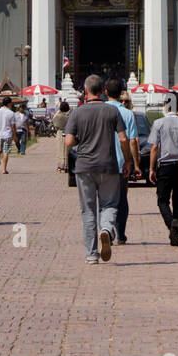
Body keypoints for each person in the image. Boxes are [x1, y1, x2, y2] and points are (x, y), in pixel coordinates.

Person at [64, 74, 129, 263]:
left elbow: (68, 142)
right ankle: (107, 229)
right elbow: (123, 139)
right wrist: (127, 161)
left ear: (85, 91)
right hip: (108, 166)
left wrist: (80, 139)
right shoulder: (112, 112)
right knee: (109, 205)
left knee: (88, 210)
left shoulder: (77, 112)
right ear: (103, 91)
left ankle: (91, 254)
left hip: (84, 167)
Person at [148, 95, 178, 247]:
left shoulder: (158, 123)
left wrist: (151, 168)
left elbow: (154, 147)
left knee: (162, 200)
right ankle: (175, 233)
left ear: (166, 105)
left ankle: (171, 224)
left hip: (166, 165)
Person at [104, 77, 140, 245]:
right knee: (121, 200)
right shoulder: (127, 113)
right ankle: (121, 234)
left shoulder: (99, 111)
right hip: (120, 163)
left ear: (105, 92)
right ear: (121, 94)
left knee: (104, 200)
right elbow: (132, 141)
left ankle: (106, 229)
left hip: (102, 163)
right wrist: (133, 163)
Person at [0, 95, 18, 175]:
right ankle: (4, 169)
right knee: (6, 152)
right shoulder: (11, 113)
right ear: (9, 104)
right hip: (7, 134)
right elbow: (13, 126)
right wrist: (15, 136)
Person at [52, 98, 70, 172]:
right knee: (66, 150)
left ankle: (60, 166)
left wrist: (59, 110)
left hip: (59, 133)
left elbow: (53, 120)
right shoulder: (68, 117)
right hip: (67, 133)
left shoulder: (58, 116)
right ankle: (66, 165)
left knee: (60, 150)